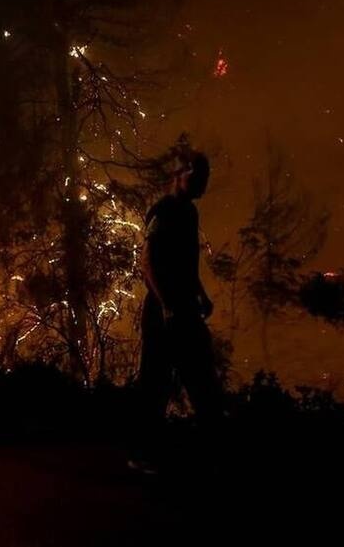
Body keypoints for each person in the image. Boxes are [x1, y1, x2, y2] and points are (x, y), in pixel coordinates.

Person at [131, 151, 223, 472]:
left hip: (184, 308)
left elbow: (186, 263)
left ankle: (211, 453)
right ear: (179, 175)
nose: (203, 184)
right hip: (164, 313)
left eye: (205, 178)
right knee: (156, 382)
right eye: (197, 177)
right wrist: (166, 304)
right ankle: (143, 453)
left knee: (203, 380)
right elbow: (148, 261)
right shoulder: (164, 211)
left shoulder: (190, 213)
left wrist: (201, 295)